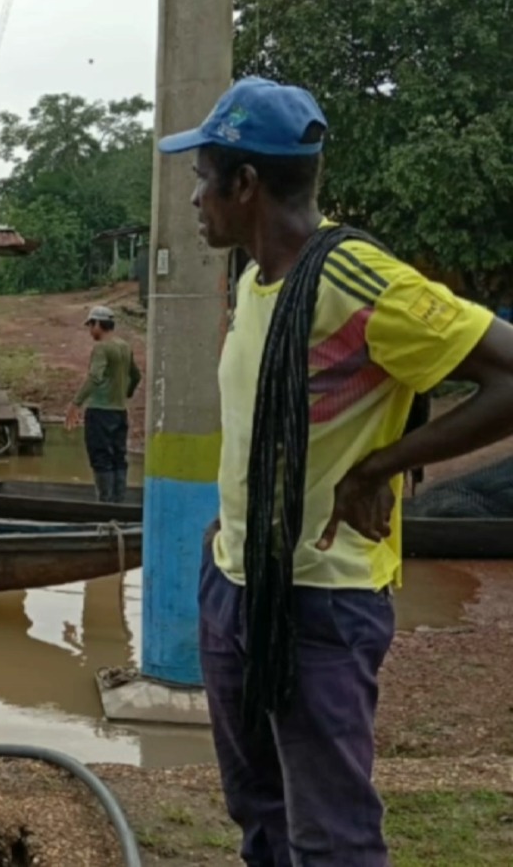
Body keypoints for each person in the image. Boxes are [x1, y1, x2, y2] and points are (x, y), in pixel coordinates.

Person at [158, 76, 513, 865]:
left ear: (244, 184)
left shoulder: (356, 280)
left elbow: (508, 376)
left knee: (331, 835)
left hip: (321, 598)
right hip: (238, 582)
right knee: (259, 809)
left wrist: (378, 467)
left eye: (200, 176)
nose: (193, 198)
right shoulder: (255, 280)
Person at [65, 304, 141, 502]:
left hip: (100, 412)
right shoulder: (125, 346)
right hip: (119, 412)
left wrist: (75, 403)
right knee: (118, 457)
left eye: (91, 325)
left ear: (99, 324)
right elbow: (136, 375)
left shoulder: (102, 348)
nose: (90, 330)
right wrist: (126, 394)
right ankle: (119, 502)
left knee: (101, 458)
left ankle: (104, 504)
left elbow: (94, 377)